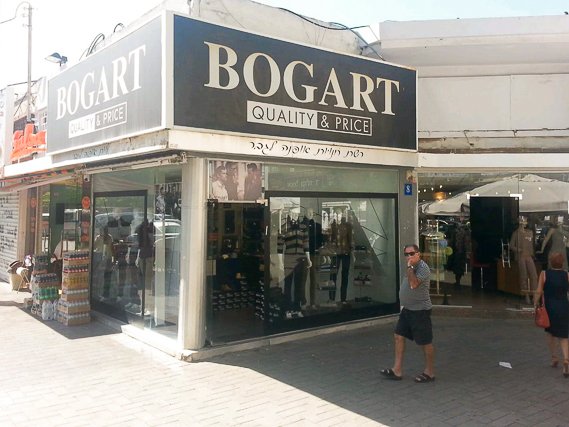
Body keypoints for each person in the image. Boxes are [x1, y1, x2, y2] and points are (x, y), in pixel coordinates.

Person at [381, 244, 435, 383]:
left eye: (412, 253)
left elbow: (413, 284)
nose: (409, 257)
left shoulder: (422, 268)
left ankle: (429, 372)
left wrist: (410, 268)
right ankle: (397, 370)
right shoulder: (410, 268)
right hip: (408, 309)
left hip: (420, 310)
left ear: (418, 254)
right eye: (406, 254)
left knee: (425, 341)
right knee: (398, 336)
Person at [534, 252, 569, 378]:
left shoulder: (544, 274)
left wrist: (535, 304)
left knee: (550, 333)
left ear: (550, 262)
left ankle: (554, 358)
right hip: (564, 306)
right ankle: (566, 359)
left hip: (549, 307)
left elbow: (539, 291)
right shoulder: (567, 275)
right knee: (563, 335)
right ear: (562, 262)